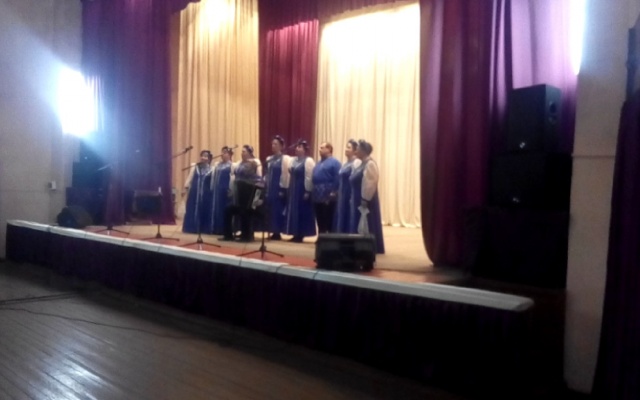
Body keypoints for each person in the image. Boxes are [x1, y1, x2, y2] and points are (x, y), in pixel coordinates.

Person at [349, 140, 385, 254]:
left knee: (367, 222)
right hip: (356, 198)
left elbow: (370, 183)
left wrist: (365, 199)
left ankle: (368, 247)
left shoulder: (370, 164)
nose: (356, 151)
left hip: (365, 199)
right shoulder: (361, 164)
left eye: (358, 149)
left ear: (364, 151)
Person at [220, 145, 261, 242]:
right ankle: (228, 235)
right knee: (227, 210)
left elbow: (259, 181)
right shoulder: (239, 164)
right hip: (239, 196)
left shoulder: (255, 164)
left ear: (250, 153)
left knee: (245, 211)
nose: (242, 153)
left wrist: (257, 198)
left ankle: (246, 236)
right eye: (242, 151)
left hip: (249, 197)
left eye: (244, 151)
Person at [284, 140, 316, 242]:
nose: (297, 149)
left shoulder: (308, 161)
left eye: (300, 147)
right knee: (293, 210)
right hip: (293, 188)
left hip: (302, 188)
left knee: (302, 211)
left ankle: (301, 233)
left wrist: (308, 190)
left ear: (305, 150)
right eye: (297, 147)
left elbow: (309, 176)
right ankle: (294, 232)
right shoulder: (293, 160)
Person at [264, 135, 291, 240]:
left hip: (278, 187)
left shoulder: (285, 159)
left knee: (278, 210)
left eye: (276, 144)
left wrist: (283, 189)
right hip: (269, 187)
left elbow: (286, 175)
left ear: (281, 146)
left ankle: (277, 232)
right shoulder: (269, 159)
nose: (273, 146)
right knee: (270, 210)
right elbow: (266, 173)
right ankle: (271, 230)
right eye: (272, 144)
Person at [312, 142, 341, 234]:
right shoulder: (318, 163)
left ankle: (330, 237)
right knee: (319, 217)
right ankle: (321, 236)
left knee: (328, 217)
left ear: (329, 149)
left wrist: (334, 191)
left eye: (322, 148)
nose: (319, 149)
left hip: (328, 194)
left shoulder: (335, 163)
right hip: (317, 194)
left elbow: (337, 177)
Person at [333, 139, 361, 233]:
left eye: (349, 147)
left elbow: (356, 179)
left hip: (350, 192)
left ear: (355, 150)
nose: (346, 149)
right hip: (342, 192)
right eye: (346, 147)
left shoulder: (356, 162)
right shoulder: (345, 163)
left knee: (349, 213)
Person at [183, 150, 213, 234]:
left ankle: (203, 228)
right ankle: (191, 228)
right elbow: (190, 177)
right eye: (202, 155)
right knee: (192, 208)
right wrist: (185, 187)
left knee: (204, 209)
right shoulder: (195, 167)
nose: (203, 158)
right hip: (194, 192)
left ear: (209, 158)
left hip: (205, 194)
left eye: (206, 156)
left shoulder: (212, 169)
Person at [208, 146, 234, 235]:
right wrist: (212, 188)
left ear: (230, 155)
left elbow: (232, 178)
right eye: (222, 152)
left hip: (225, 190)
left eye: (225, 152)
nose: (223, 154)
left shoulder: (232, 165)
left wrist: (231, 189)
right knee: (216, 209)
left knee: (224, 209)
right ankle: (215, 228)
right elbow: (213, 177)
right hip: (216, 191)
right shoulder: (217, 165)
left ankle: (224, 229)